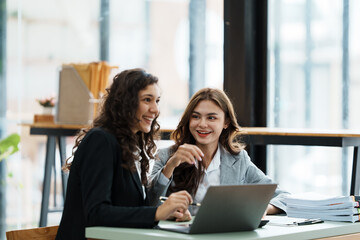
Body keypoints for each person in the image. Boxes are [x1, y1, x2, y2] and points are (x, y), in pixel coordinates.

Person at [56, 69, 193, 240]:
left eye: (157, 101)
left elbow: (131, 208)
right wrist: (157, 213)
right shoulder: (101, 140)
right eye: (147, 100)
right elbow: (97, 212)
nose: (155, 109)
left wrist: (168, 213)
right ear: (126, 102)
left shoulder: (127, 143)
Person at [149, 88, 289, 217]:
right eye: (196, 116)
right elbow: (148, 202)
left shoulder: (238, 160)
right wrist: (170, 166)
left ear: (226, 122)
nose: (202, 124)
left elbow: (283, 197)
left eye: (211, 118)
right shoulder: (166, 156)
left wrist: (263, 208)